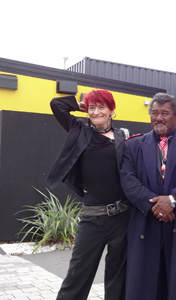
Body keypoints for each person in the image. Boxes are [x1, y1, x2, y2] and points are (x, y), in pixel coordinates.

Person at [120, 92, 176, 300]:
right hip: (145, 224)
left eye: (165, 113)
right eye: (154, 113)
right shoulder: (132, 145)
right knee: (143, 287)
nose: (158, 118)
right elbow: (128, 180)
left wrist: (172, 200)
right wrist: (155, 205)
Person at [45, 89, 130, 300]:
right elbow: (57, 104)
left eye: (102, 107)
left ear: (112, 110)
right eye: (93, 108)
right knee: (77, 277)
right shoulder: (79, 130)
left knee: (117, 278)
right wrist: (82, 104)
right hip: (92, 218)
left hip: (122, 218)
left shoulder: (124, 136)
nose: (97, 112)